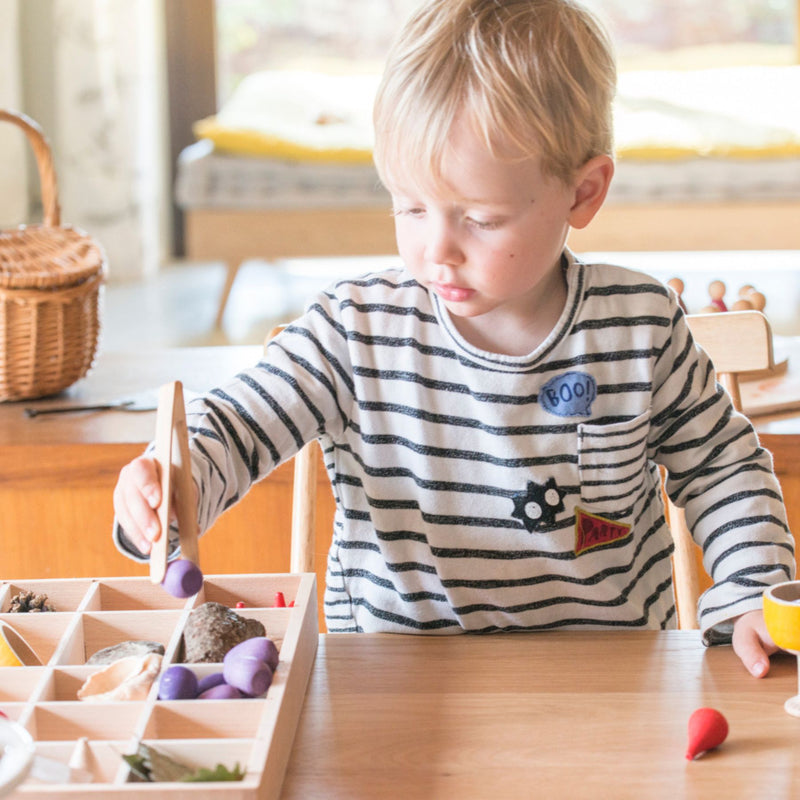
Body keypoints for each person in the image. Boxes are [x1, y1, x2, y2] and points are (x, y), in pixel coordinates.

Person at [113, 0, 794, 677]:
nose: (436, 250)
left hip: (608, 680)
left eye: (480, 218)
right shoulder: (353, 330)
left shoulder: (639, 325)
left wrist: (748, 596)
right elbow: (238, 423)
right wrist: (178, 479)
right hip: (394, 681)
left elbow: (722, 466)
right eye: (409, 206)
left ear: (582, 194)